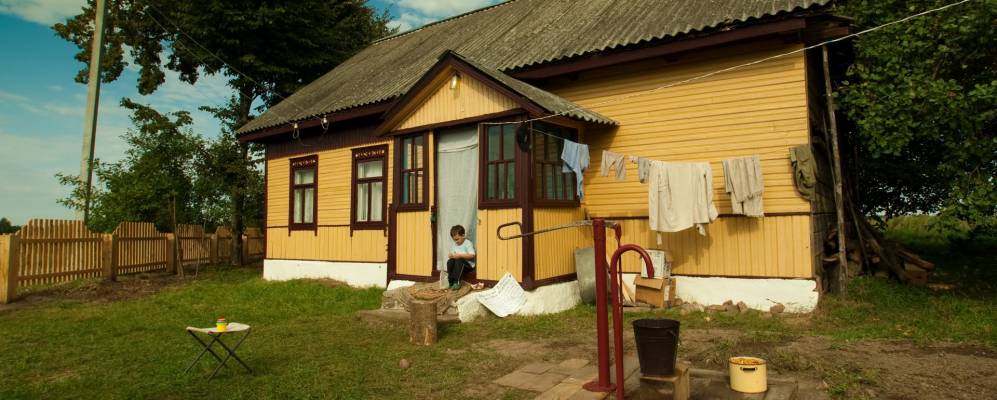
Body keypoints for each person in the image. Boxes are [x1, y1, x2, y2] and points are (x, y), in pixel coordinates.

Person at [446, 224, 475, 290]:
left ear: (463, 235)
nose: (456, 241)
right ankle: (450, 280)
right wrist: (451, 255)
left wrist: (460, 255)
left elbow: (472, 255)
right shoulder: (455, 245)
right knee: (450, 261)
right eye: (454, 240)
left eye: (457, 239)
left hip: (468, 266)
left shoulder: (467, 243)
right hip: (458, 266)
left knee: (459, 260)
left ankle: (457, 282)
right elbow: (453, 255)